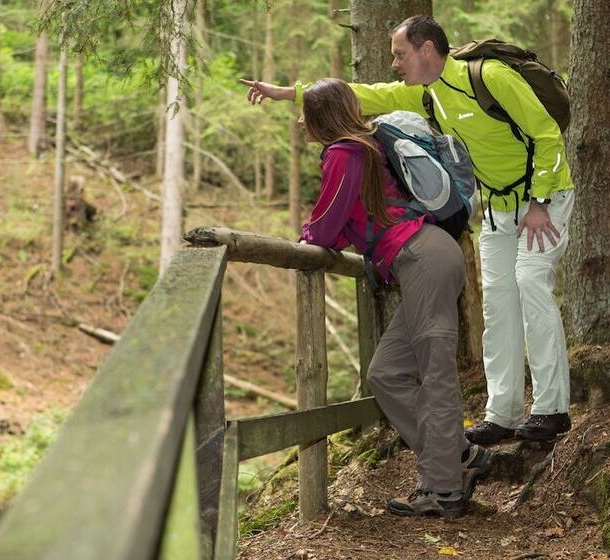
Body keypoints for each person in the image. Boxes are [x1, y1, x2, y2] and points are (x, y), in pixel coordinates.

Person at [241, 15, 575, 445]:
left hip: (543, 199)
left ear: (427, 50)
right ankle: (503, 414)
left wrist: (540, 202)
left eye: (400, 55)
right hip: (497, 208)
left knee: (530, 285)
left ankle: (552, 409)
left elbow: (546, 134)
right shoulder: (428, 94)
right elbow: (366, 94)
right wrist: (290, 93)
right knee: (498, 304)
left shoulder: (488, 76)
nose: (395, 64)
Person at [294, 78, 491, 519]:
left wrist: (306, 237)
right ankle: (460, 455)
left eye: (305, 112)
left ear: (321, 115)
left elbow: (325, 226)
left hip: (423, 258)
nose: (300, 122)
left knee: (436, 372)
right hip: (427, 257)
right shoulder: (364, 150)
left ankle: (442, 488)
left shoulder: (346, 152)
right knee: (385, 373)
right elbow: (350, 223)